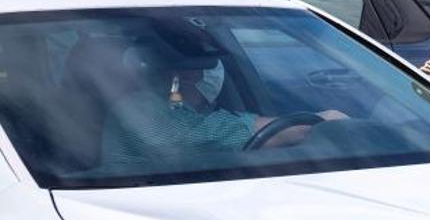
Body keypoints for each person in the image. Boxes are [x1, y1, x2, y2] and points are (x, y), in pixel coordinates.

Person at [102, 57, 344, 163]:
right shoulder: (140, 110)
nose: (215, 70)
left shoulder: (185, 109)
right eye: (206, 62)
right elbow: (214, 134)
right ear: (186, 74)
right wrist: (328, 120)